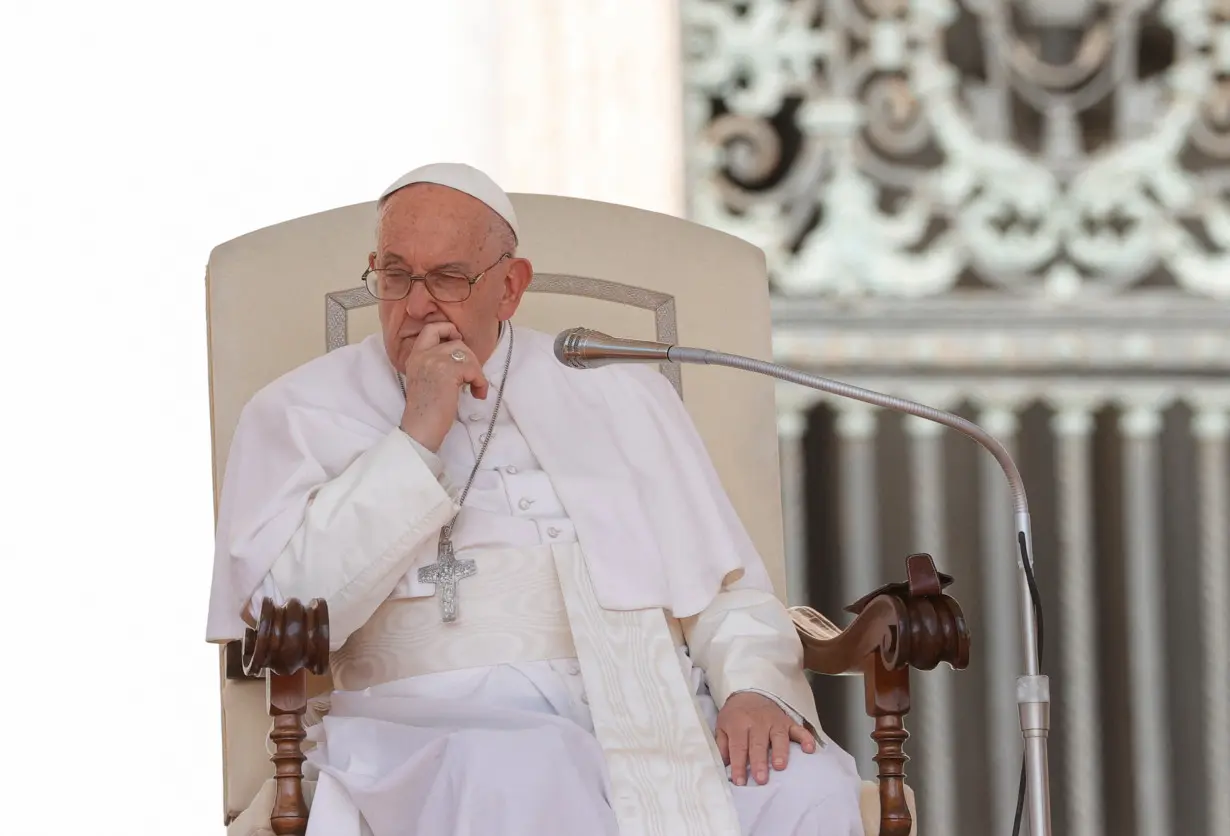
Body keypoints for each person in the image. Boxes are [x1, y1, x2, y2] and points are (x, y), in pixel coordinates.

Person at [206, 163, 865, 835]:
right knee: (528, 772)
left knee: (805, 786)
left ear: (511, 287)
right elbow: (285, 610)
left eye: (450, 278)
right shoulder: (295, 410)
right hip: (426, 727)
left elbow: (724, 590)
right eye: (397, 275)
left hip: (654, 713)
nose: (417, 304)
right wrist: (416, 437)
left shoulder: (620, 391)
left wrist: (752, 687)